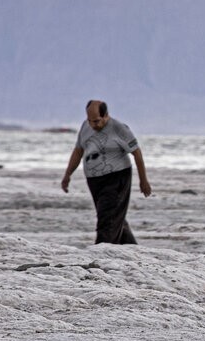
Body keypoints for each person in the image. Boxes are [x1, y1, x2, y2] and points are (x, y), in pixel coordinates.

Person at [60, 100, 152, 244]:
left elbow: (137, 153)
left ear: (106, 116)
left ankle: (101, 252)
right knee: (114, 216)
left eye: (97, 121)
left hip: (117, 177)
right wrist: (67, 175)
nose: (93, 125)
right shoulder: (85, 126)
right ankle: (131, 248)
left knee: (107, 218)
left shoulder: (119, 128)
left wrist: (143, 181)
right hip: (94, 180)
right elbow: (78, 151)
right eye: (90, 121)